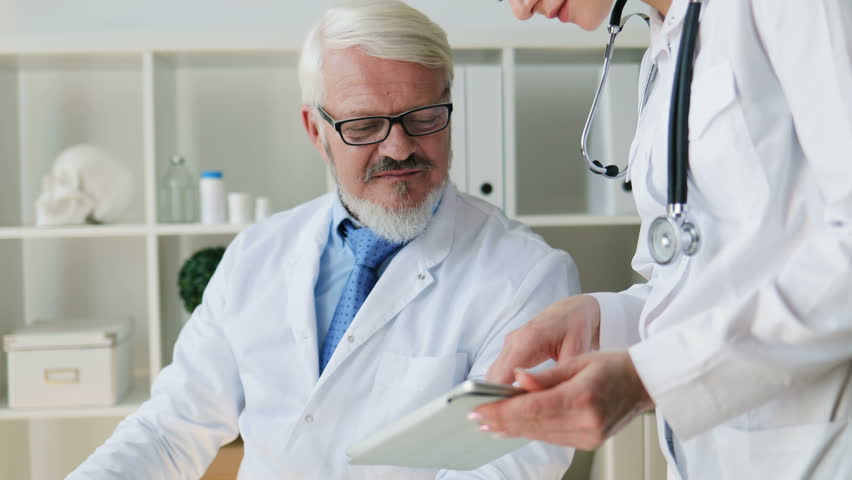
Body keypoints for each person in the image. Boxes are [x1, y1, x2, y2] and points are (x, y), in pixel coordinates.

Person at [67, 1, 581, 478]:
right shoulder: (256, 255)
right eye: (365, 125)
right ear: (316, 131)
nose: (398, 148)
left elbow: (507, 467)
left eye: (423, 118)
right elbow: (170, 427)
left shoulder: (526, 276)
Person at [472, 0, 852, 479]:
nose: (521, 9)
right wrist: (602, 317)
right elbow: (701, 282)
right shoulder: (665, 50)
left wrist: (649, 378)